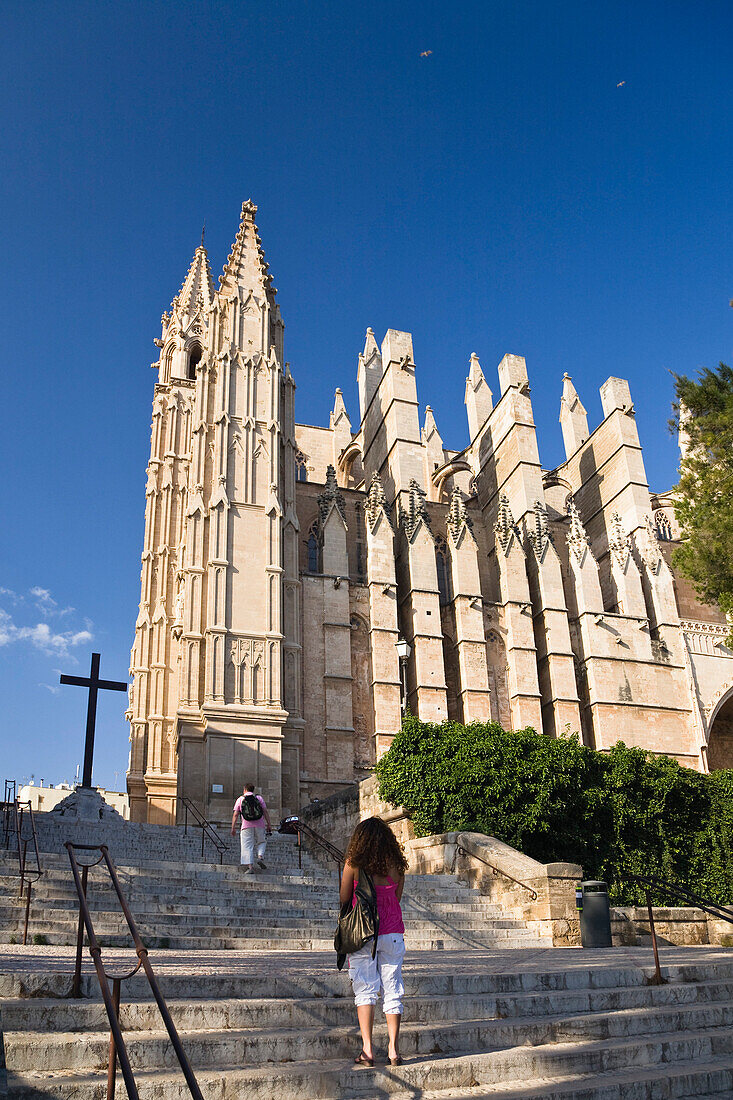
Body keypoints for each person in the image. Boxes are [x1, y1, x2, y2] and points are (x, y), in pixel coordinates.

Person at [340, 816, 408, 1067]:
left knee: (365, 990)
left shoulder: (353, 864)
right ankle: (393, 1049)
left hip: (363, 934)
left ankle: (368, 1050)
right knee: (393, 989)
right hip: (391, 932)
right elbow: (397, 899)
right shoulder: (396, 866)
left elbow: (344, 897)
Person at [231, 783, 272, 873]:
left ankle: (250, 867)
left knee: (247, 845)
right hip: (260, 825)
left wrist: (233, 827)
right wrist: (269, 824)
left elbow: (235, 814)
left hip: (246, 826)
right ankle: (260, 856)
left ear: (245, 789)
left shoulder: (240, 799)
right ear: (253, 790)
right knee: (262, 841)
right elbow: (265, 811)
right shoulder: (259, 798)